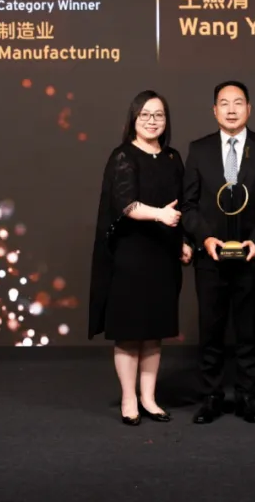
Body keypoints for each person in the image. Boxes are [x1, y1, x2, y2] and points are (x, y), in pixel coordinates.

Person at [89, 90, 193, 426]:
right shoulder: (123, 155)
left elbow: (182, 205)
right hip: (131, 255)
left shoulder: (173, 157)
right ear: (134, 119)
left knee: (154, 331)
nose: (152, 121)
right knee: (130, 331)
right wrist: (160, 215)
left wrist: (183, 240)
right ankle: (129, 398)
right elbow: (126, 204)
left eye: (159, 115)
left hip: (163, 254)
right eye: (145, 114)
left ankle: (149, 398)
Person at [181, 81, 255, 424]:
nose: (231, 109)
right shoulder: (198, 150)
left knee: (249, 330)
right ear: (214, 110)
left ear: (249, 109)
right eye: (224, 103)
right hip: (210, 257)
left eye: (238, 103)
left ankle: (246, 397)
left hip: (251, 257)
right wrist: (205, 238)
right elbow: (189, 205)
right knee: (210, 330)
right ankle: (211, 397)